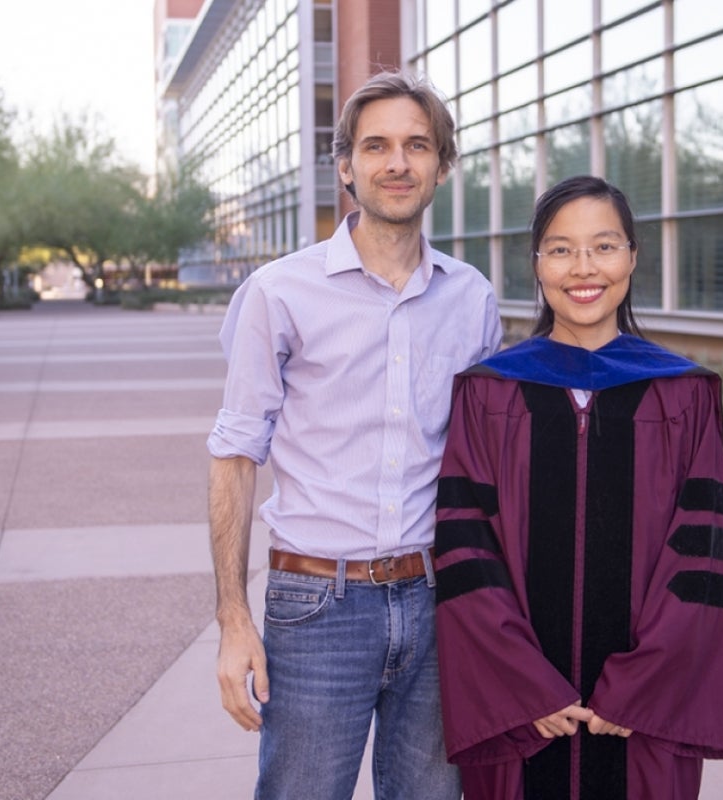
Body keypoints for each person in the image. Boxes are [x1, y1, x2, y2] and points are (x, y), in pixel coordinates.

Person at [206, 69, 503, 800]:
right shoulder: (279, 293)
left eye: (416, 145)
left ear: (441, 165)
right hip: (316, 608)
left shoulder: (473, 299)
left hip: (441, 602)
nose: (396, 162)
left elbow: (491, 466)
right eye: (375, 146)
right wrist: (233, 619)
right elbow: (235, 459)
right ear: (345, 166)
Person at [432, 175, 723, 799]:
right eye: (561, 248)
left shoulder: (683, 394)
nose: (584, 267)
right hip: (521, 716)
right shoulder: (488, 392)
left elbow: (703, 558)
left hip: (639, 719)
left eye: (603, 246)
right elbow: (467, 548)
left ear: (632, 256)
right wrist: (523, 687)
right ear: (537, 265)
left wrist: (639, 688)